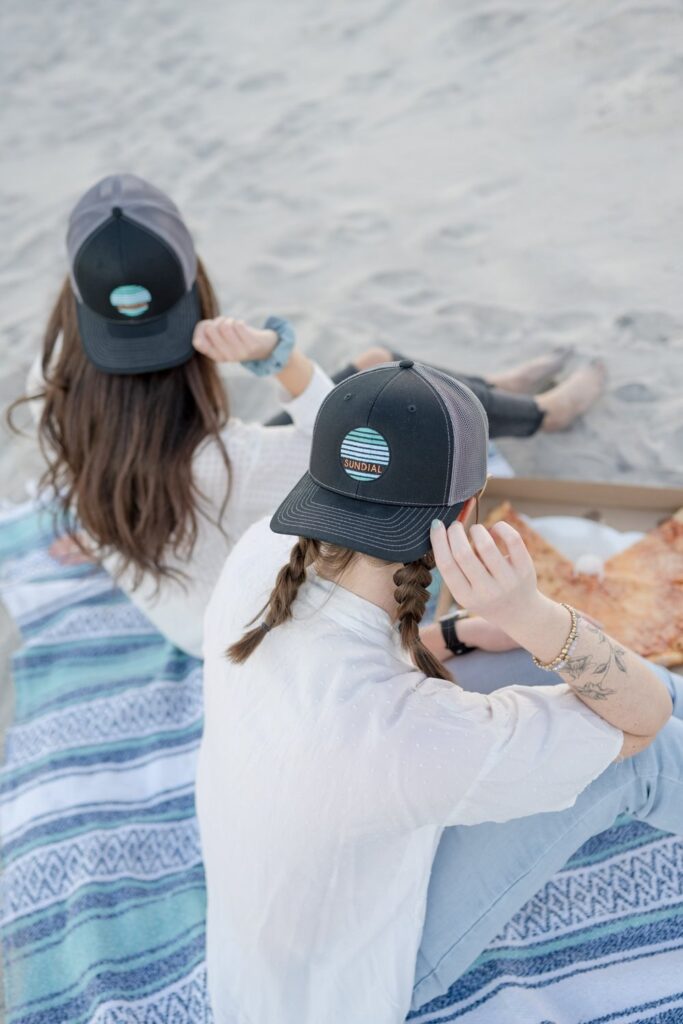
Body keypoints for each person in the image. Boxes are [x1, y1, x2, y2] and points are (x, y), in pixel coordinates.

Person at [196, 360, 681, 1024]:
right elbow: (642, 718)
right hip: (346, 992)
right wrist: (532, 615)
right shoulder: (408, 732)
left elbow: (345, 659)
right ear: (467, 511)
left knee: (561, 671)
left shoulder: (260, 552)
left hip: (261, 960)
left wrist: (453, 634)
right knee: (647, 734)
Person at [11, 172, 604, 657]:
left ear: (78, 307)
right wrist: (276, 355)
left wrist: (96, 528)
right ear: (196, 300)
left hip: (186, 599)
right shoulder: (236, 460)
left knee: (374, 368)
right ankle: (537, 413)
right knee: (382, 379)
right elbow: (345, 434)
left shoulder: (50, 393)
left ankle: (495, 391)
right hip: (237, 623)